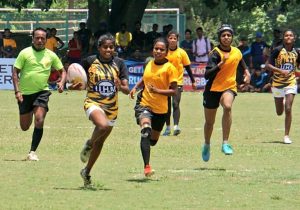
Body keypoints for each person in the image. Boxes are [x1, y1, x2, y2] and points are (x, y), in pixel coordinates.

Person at [79, 33, 130, 187]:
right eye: (105, 47)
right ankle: (88, 144)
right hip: (93, 102)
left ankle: (86, 171)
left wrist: (120, 86)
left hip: (112, 108)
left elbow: (127, 90)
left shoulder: (119, 63)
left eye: (111, 47)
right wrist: (72, 85)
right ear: (99, 48)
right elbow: (77, 79)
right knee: (102, 126)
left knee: (100, 142)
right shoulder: (89, 61)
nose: (108, 50)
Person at [12, 27, 66, 161]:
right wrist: (17, 91)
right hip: (24, 94)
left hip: (42, 92)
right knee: (25, 127)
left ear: (46, 40)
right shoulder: (24, 53)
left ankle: (32, 152)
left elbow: (63, 71)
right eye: (37, 38)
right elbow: (15, 72)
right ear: (33, 39)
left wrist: (62, 82)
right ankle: (30, 110)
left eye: (43, 38)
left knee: (40, 119)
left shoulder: (51, 55)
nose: (40, 40)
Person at [201, 24, 250, 162]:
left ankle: (225, 143)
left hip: (229, 87)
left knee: (227, 106)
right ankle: (206, 144)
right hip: (212, 90)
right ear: (220, 38)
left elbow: (243, 65)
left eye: (229, 35)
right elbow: (206, 75)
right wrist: (219, 65)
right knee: (209, 122)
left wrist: (247, 74)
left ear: (232, 37)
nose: (226, 37)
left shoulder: (237, 52)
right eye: (223, 35)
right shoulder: (215, 53)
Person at [129, 37, 177, 177]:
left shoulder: (170, 68)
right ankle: (147, 167)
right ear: (153, 49)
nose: (158, 51)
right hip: (144, 104)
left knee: (153, 141)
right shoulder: (149, 63)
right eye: (156, 48)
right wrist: (136, 87)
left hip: (161, 110)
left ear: (167, 52)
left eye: (162, 49)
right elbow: (145, 78)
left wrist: (158, 91)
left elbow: (174, 91)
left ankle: (147, 144)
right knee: (145, 130)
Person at [266, 29, 299, 144]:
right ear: (283, 38)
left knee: (288, 109)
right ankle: (283, 101)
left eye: (290, 35)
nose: (288, 37)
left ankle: (286, 136)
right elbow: (268, 65)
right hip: (277, 84)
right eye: (286, 35)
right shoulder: (277, 50)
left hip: (291, 83)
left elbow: (297, 65)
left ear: (294, 38)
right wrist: (280, 70)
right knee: (279, 112)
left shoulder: (297, 52)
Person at [162, 31, 196, 136]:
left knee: (175, 103)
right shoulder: (164, 52)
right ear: (167, 39)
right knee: (166, 106)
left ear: (177, 40)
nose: (172, 40)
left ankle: (176, 126)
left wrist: (193, 81)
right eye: (170, 38)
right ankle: (167, 128)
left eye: (174, 38)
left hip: (178, 82)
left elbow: (188, 68)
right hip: (165, 82)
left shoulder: (182, 52)